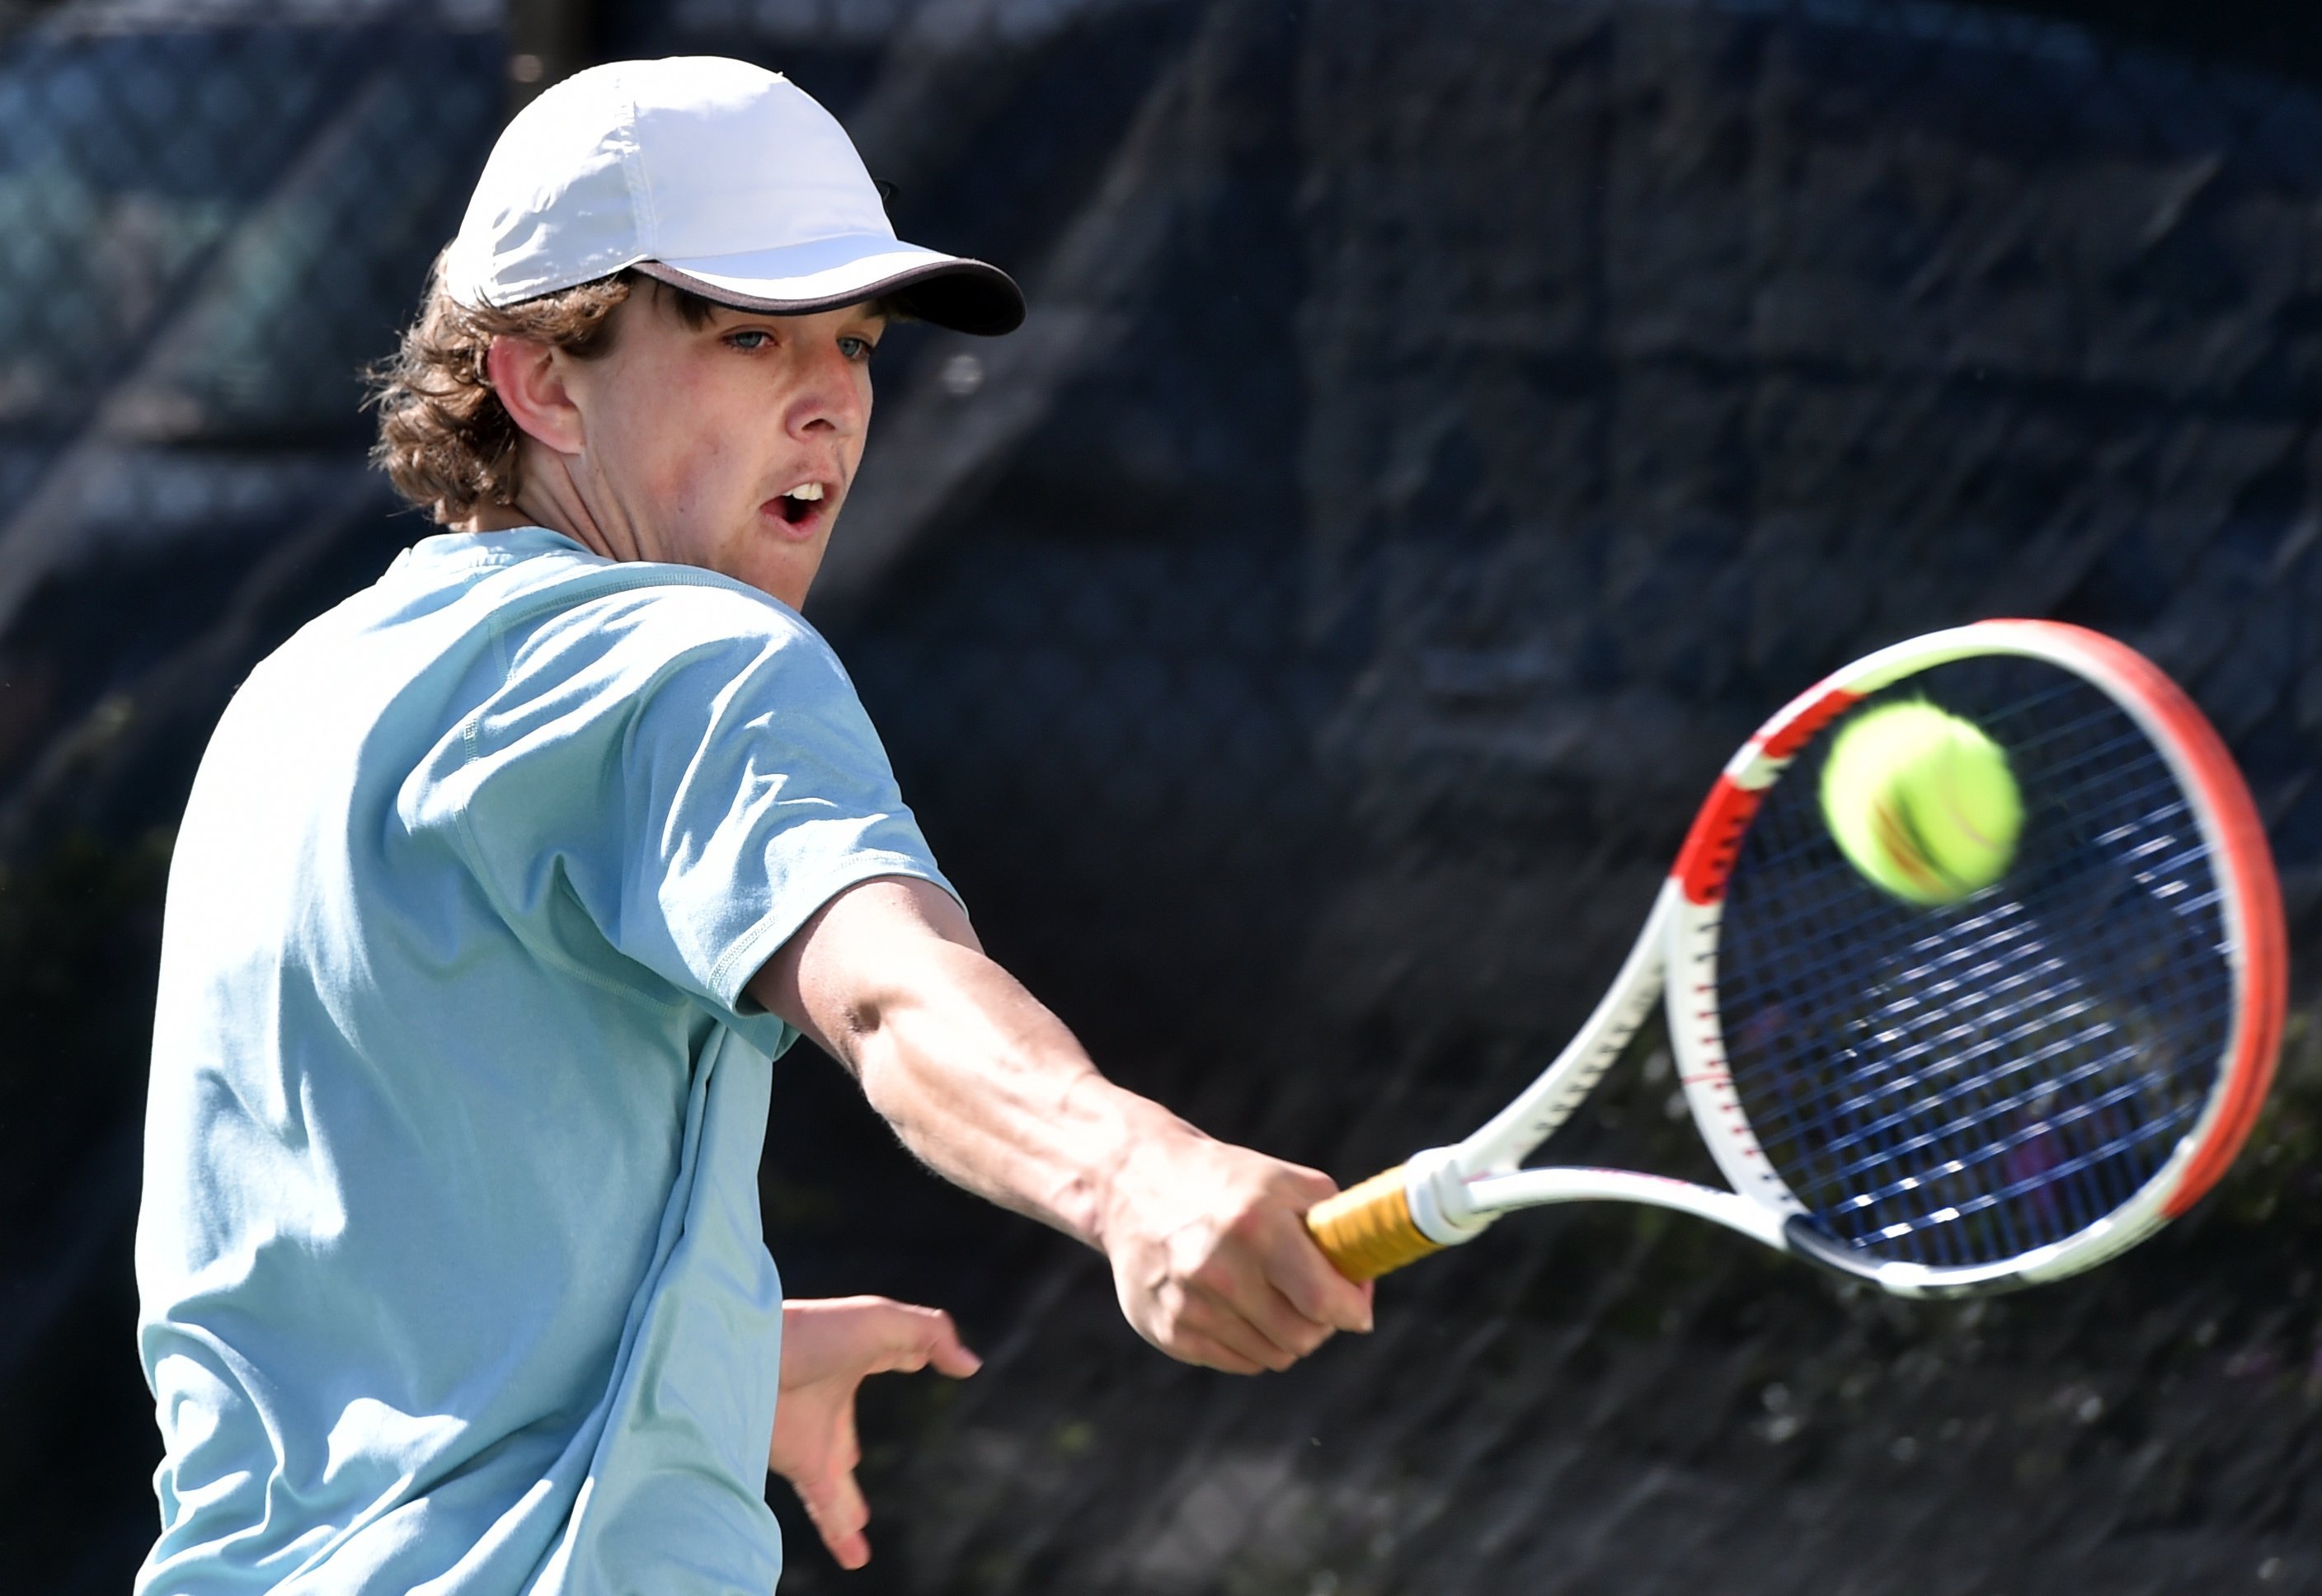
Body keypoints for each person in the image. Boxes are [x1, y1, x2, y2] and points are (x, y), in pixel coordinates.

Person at [133, 54, 1372, 1595]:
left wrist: (701, 1359)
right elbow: (888, 992)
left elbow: (331, 1265)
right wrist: (1136, 1176)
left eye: (853, 341)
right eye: (748, 334)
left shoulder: (292, 705)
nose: (832, 400)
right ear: (539, 379)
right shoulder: (696, 659)